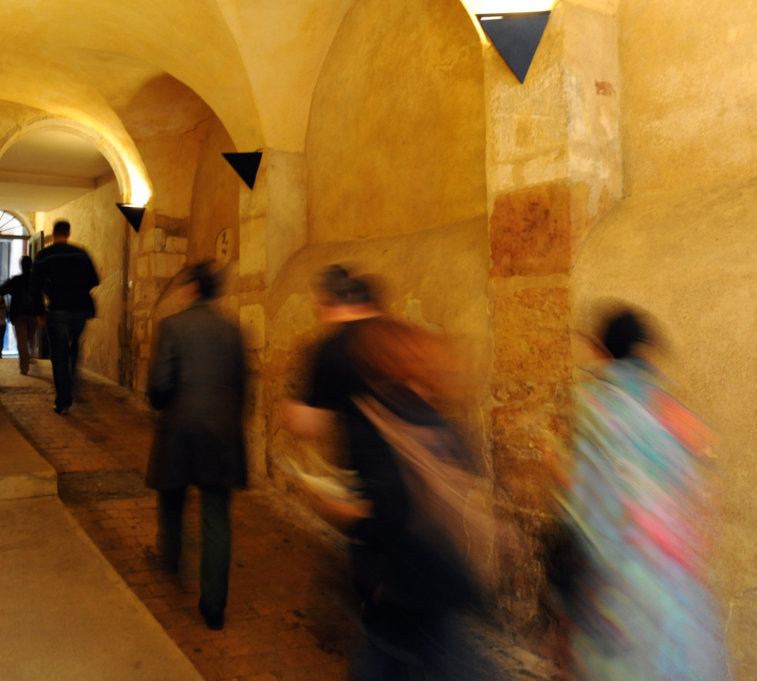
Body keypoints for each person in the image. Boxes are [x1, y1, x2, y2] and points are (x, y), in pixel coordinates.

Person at [284, 265, 502, 681]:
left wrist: (339, 505)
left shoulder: (341, 368)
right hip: (435, 553)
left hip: (397, 557)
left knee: (409, 649)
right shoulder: (423, 408)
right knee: (414, 648)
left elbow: (383, 500)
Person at [554, 309, 732, 681]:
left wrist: (555, 469)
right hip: (674, 563)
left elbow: (590, 490)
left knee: (622, 658)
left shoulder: (596, 404)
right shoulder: (666, 404)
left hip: (621, 562)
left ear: (602, 350)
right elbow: (696, 478)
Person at [146, 261, 247, 632]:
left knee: (172, 496)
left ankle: (170, 559)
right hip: (221, 433)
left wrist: (159, 402)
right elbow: (242, 386)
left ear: (192, 289)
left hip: (180, 428)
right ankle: (214, 606)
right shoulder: (232, 331)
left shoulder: (173, 326)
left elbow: (159, 384)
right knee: (216, 516)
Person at [30, 220, 99, 415]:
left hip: (58, 309)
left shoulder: (44, 255)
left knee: (59, 354)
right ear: (69, 233)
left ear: (53, 234)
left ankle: (64, 400)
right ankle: (71, 382)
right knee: (73, 346)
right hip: (80, 310)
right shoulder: (81, 253)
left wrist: (39, 311)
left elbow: (34, 286)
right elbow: (94, 280)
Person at [0, 255, 38, 375]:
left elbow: (1, 290)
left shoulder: (16, 280)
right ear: (31, 265)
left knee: (21, 341)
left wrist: (8, 281)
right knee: (29, 337)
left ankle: (24, 367)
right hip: (33, 313)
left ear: (21, 266)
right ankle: (30, 353)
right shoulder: (36, 279)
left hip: (18, 314)